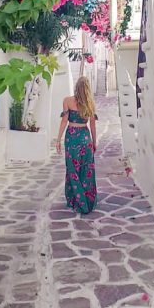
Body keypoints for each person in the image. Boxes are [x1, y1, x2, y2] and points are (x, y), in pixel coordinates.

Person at [55, 76, 98, 214]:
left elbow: (64, 121)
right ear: (87, 89)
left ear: (76, 87)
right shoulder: (90, 103)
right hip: (85, 138)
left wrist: (58, 139)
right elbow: (92, 125)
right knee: (86, 170)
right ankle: (87, 200)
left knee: (72, 169)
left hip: (72, 138)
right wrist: (94, 141)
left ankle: (75, 200)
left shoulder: (67, 100)